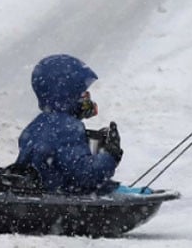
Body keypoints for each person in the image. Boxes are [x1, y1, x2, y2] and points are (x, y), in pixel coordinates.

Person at [15, 54, 123, 194]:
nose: (87, 99)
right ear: (68, 94)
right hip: (60, 199)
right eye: (83, 93)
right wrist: (110, 155)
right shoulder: (67, 128)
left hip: (40, 193)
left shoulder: (37, 124)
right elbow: (85, 175)